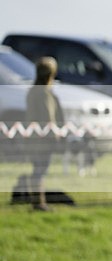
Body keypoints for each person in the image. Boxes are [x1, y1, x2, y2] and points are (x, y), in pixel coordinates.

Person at [26, 56, 64, 211]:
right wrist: (56, 136)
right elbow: (49, 118)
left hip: (33, 138)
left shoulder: (32, 91)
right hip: (44, 139)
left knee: (37, 169)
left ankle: (37, 201)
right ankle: (39, 203)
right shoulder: (45, 93)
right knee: (40, 170)